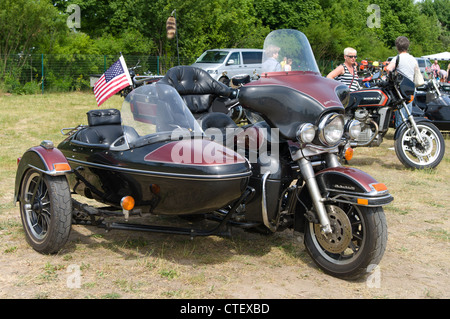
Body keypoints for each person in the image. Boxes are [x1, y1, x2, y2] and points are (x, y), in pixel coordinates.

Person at [386, 36, 417, 128]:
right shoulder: (413, 59)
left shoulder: (397, 58)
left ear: (397, 47)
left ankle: (400, 132)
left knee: (400, 114)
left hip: (400, 89)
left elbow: (388, 69)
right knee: (408, 113)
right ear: (408, 46)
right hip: (411, 88)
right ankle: (407, 132)